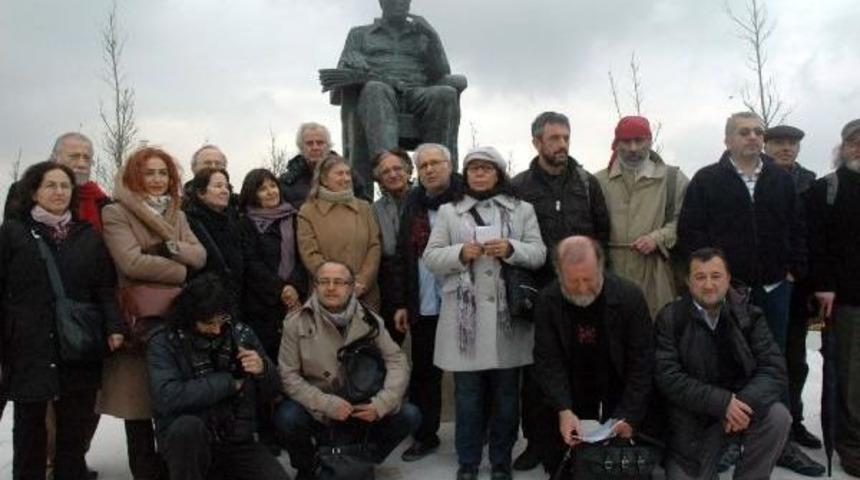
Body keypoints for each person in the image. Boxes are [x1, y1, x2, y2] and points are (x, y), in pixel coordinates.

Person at [676, 112, 822, 476]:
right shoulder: (707, 180)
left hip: (775, 288)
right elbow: (691, 234)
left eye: (759, 132)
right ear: (728, 140)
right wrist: (711, 282)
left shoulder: (780, 179)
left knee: (779, 364)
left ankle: (781, 443)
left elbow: (797, 227)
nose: (754, 138)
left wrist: (793, 271)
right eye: (744, 132)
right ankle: (729, 442)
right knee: (726, 365)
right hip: (728, 292)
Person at [424, 146, 546, 480]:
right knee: (467, 401)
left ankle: (501, 462)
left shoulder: (522, 210)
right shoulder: (449, 212)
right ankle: (468, 462)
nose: (479, 173)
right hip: (465, 328)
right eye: (473, 168)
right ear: (466, 174)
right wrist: (461, 252)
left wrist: (511, 248)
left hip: (509, 325)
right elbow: (431, 257)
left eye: (486, 168)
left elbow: (539, 254)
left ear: (498, 173)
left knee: (507, 401)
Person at [0, 161, 124, 480]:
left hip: (78, 344)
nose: (58, 192)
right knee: (29, 431)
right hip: (30, 345)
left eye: (65, 186)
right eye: (50, 185)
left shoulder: (88, 237)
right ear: (34, 191)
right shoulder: (14, 233)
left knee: (74, 431)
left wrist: (113, 326)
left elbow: (104, 288)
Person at [510, 111, 610, 471]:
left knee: (582, 370)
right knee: (538, 375)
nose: (562, 145)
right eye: (554, 139)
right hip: (539, 295)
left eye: (566, 137)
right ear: (536, 142)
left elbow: (603, 236)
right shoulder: (520, 186)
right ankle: (537, 443)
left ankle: (579, 441)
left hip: (582, 295)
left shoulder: (585, 183)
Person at [100, 147, 207, 480]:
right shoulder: (117, 213)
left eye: (163, 173)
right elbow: (130, 262)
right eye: (149, 173)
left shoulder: (179, 213)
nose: (158, 179)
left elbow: (200, 256)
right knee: (138, 408)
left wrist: (168, 248)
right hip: (139, 322)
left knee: (174, 402)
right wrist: (180, 270)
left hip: (175, 320)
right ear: (135, 176)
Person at [275, 261, 419, 480]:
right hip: (319, 409)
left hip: (361, 406)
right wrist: (326, 404)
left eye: (339, 282)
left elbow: (397, 360)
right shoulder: (295, 323)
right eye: (324, 281)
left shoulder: (371, 320)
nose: (331, 287)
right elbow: (288, 376)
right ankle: (308, 466)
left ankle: (361, 459)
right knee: (287, 416)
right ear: (315, 286)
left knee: (410, 415)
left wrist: (381, 403)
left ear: (351, 287)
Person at [655, 247, 791, 479]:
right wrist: (721, 402)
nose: (709, 285)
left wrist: (739, 406)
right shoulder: (671, 318)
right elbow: (668, 378)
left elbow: (774, 369)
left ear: (728, 278)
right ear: (688, 281)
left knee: (778, 417)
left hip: (740, 412)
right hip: (693, 422)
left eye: (716, 276)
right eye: (700, 277)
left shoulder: (749, 315)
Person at [147, 274, 289, 480]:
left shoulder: (240, 333)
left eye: (220, 320)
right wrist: (230, 383)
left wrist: (263, 369)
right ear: (190, 317)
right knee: (186, 428)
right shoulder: (164, 341)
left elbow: (274, 390)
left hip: (236, 439)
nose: (216, 328)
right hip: (190, 444)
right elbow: (167, 396)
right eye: (208, 323)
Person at [533, 236, 654, 472]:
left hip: (618, 387)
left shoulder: (629, 297)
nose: (582, 288)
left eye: (588, 279)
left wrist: (628, 416)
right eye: (573, 281)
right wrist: (563, 409)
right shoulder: (548, 301)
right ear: (559, 274)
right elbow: (548, 362)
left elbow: (642, 363)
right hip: (571, 388)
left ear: (601, 267)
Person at [390, 143, 464, 461]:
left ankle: (475, 434)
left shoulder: (467, 199)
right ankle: (425, 435)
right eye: (423, 166)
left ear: (450, 165)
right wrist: (403, 303)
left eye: (436, 163)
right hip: (426, 300)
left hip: (464, 301)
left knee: (470, 373)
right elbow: (402, 255)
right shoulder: (413, 202)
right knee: (424, 374)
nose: (430, 170)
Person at [334, 0, 461, 176]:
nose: (400, 5)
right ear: (382, 3)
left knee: (445, 93)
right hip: (378, 96)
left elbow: (441, 73)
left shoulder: (422, 36)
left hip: (417, 94)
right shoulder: (360, 34)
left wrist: (433, 37)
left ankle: (443, 178)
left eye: (405, 2)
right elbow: (341, 71)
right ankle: (390, 172)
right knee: (375, 89)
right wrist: (352, 64)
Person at [238, 168, 307, 454]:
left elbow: (304, 258)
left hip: (294, 305)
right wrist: (280, 289)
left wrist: (294, 288)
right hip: (261, 307)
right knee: (265, 373)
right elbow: (250, 263)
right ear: (252, 194)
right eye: (262, 189)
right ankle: (266, 433)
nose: (270, 192)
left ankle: (292, 431)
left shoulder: (295, 217)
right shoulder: (246, 223)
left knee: (294, 370)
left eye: (273, 186)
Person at [805, 118, 860, 476]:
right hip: (847, 301)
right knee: (850, 378)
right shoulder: (828, 188)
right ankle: (852, 446)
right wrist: (823, 284)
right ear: (842, 147)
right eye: (854, 142)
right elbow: (814, 244)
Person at [763, 124, 822, 449]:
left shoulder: (811, 182)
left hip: (799, 287)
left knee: (795, 359)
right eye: (779, 143)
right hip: (760, 284)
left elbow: (815, 235)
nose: (786, 148)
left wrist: (799, 273)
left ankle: (792, 422)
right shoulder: (757, 178)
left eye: (792, 144)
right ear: (767, 145)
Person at [596, 116, 689, 316]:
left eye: (639, 141)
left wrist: (657, 238)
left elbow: (684, 221)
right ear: (616, 144)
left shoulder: (672, 179)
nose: (633, 148)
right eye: (626, 141)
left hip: (657, 276)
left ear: (649, 141)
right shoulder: (598, 181)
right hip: (610, 275)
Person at [297, 154, 382, 312]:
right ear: (323, 179)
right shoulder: (308, 211)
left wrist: (362, 282)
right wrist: (336, 284)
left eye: (348, 173)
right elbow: (309, 253)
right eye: (339, 173)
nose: (346, 178)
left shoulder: (364, 208)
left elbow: (374, 246)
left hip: (364, 296)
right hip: (327, 297)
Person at [5, 132, 109, 232]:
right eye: (74, 157)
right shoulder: (25, 190)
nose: (82, 164)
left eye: (87, 158)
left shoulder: (100, 200)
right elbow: (12, 237)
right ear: (55, 159)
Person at [183, 168, 244, 313]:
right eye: (218, 186)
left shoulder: (232, 221)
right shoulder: (188, 222)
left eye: (226, 186)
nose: (225, 191)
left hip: (235, 302)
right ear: (201, 193)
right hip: (206, 304)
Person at [371, 148, 413, 343]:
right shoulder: (373, 210)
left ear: (408, 171)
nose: (393, 174)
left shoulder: (423, 202)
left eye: (397, 168)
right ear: (379, 178)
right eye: (386, 172)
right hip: (389, 287)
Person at [279, 123, 368, 209]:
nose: (315, 147)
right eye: (309, 143)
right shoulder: (288, 182)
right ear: (301, 147)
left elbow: (364, 206)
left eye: (320, 143)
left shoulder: (348, 175)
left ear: (328, 146)